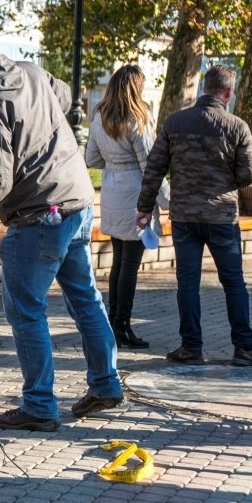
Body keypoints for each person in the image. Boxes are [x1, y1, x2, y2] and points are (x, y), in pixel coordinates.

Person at [0, 27, 123, 432]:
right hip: (77, 202)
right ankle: (106, 383)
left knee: (27, 312)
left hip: (38, 217)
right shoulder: (30, 72)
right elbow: (65, 95)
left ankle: (39, 405)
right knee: (85, 298)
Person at [137, 64, 252, 367]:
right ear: (229, 92)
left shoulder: (174, 122)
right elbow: (249, 173)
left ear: (204, 88)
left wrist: (143, 207)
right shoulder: (236, 126)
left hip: (185, 217)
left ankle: (191, 347)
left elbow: (154, 169)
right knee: (233, 283)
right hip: (222, 216)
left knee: (188, 283)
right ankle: (244, 348)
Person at [85, 64, 169, 349]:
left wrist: (113, 162)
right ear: (136, 88)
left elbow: (91, 157)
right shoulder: (138, 118)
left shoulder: (99, 116)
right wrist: (166, 199)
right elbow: (151, 164)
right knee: (129, 264)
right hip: (135, 192)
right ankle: (122, 326)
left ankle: (113, 323)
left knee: (119, 261)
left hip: (111, 190)